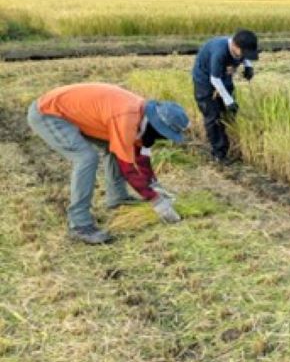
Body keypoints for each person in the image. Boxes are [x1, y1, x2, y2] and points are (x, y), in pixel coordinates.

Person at [26, 83, 190, 244]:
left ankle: (117, 198)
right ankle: (79, 224)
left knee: (114, 147)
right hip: (48, 113)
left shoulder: (142, 114)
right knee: (86, 158)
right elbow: (129, 169)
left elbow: (140, 155)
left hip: (75, 113)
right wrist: (155, 200)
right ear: (157, 125)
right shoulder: (127, 117)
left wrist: (154, 184)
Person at [192, 29, 259, 163]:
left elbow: (243, 57)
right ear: (235, 46)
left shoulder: (240, 47)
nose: (244, 56)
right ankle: (219, 154)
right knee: (213, 117)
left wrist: (248, 67)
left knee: (230, 113)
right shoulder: (219, 52)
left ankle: (232, 144)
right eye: (244, 53)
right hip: (206, 81)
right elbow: (214, 79)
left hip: (224, 75)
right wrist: (229, 100)